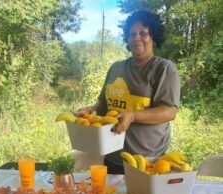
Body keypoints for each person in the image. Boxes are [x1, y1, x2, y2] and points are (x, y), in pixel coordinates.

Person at [75, 10, 180, 174]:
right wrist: (91, 109)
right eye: (132, 33)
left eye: (143, 33)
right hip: (112, 155)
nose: (137, 37)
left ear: (153, 38)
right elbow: (103, 103)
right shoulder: (116, 68)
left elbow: (169, 112)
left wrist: (132, 115)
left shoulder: (163, 68)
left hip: (147, 159)